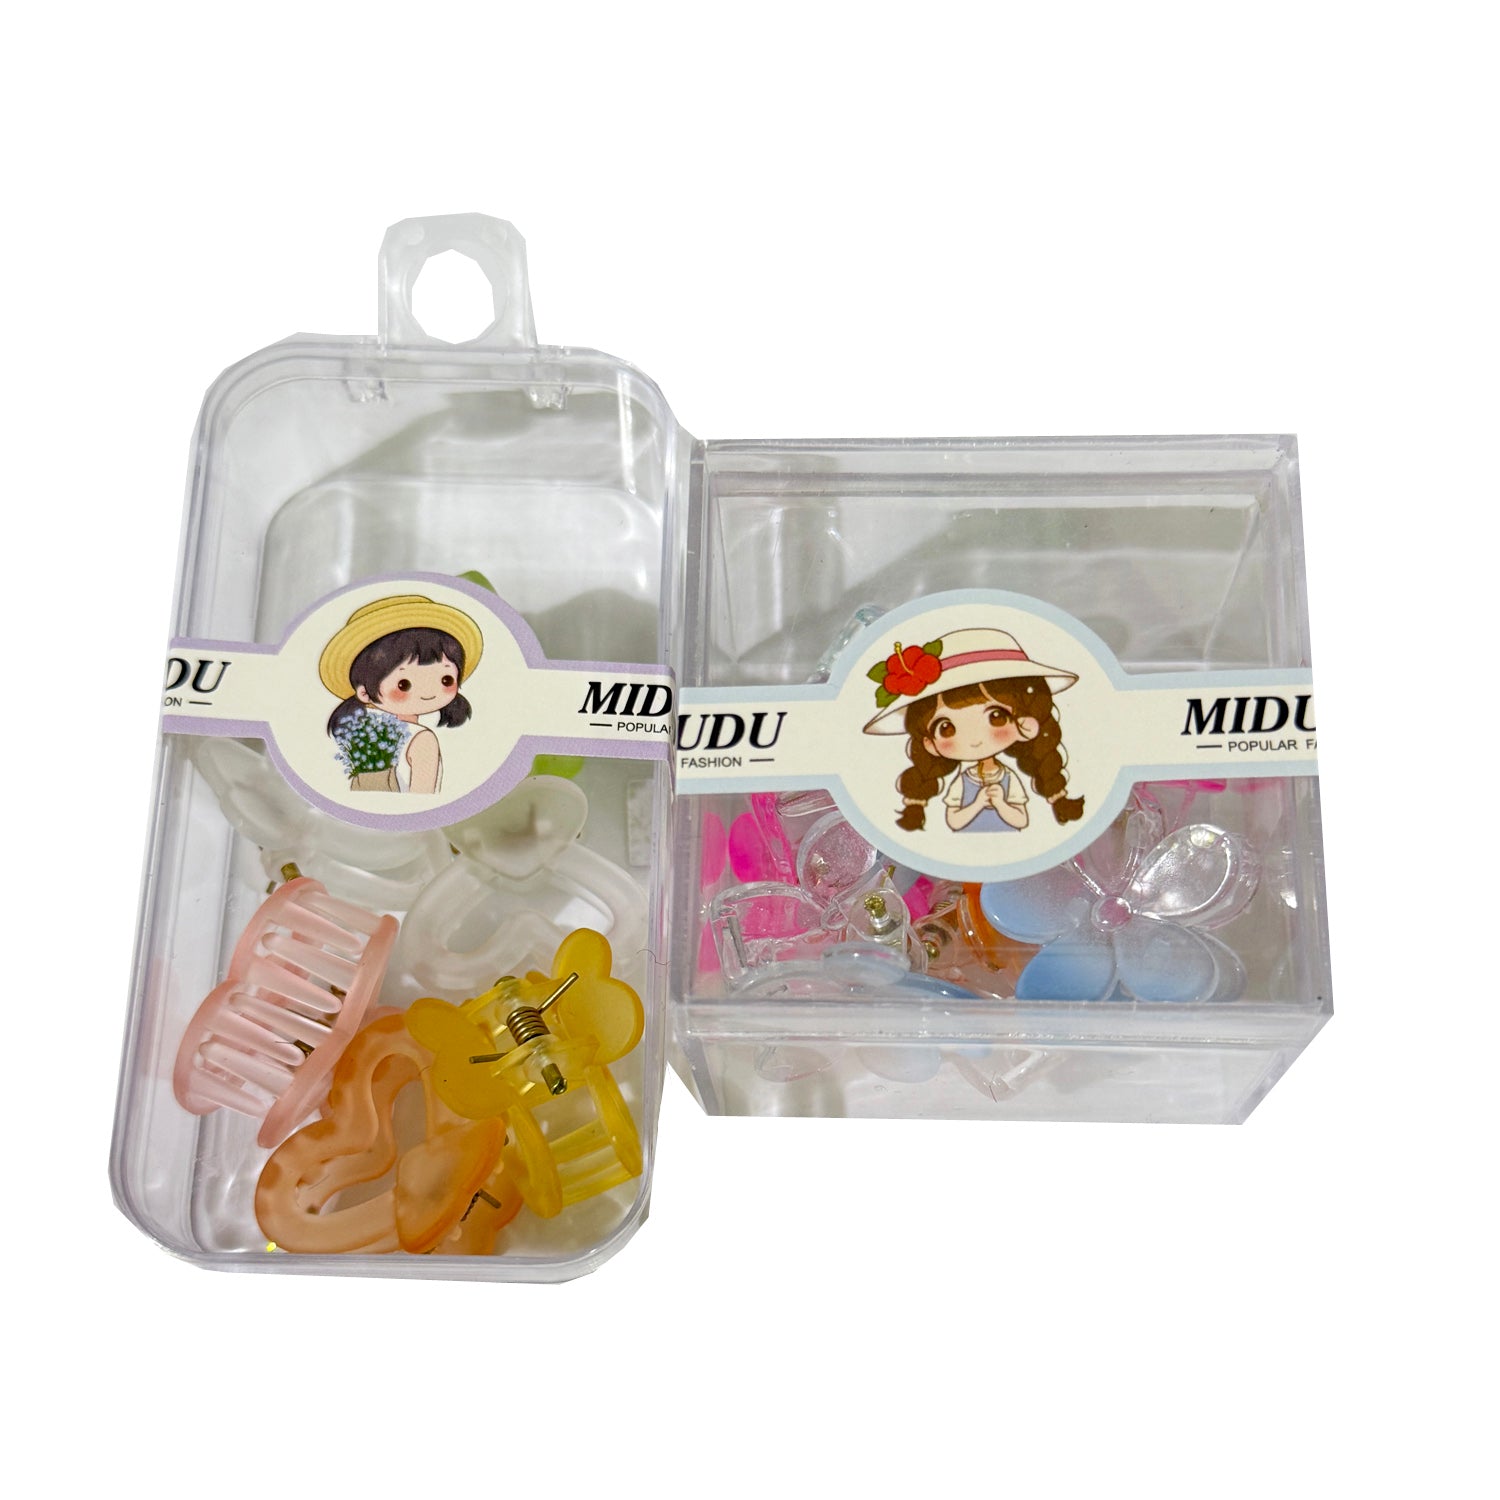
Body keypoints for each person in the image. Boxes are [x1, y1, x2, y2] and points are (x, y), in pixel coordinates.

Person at [862, 626, 1083, 833]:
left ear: (1027, 723)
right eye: (946, 728)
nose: (974, 739)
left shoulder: (1008, 777)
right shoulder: (964, 780)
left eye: (996, 717)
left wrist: (1001, 803)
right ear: (929, 744)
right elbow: (953, 821)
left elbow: (1022, 820)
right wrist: (977, 803)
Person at [317, 594, 482, 793]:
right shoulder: (422, 740)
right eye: (404, 684)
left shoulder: (365, 738)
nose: (428, 691)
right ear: (364, 693)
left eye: (445, 679)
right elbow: (423, 798)